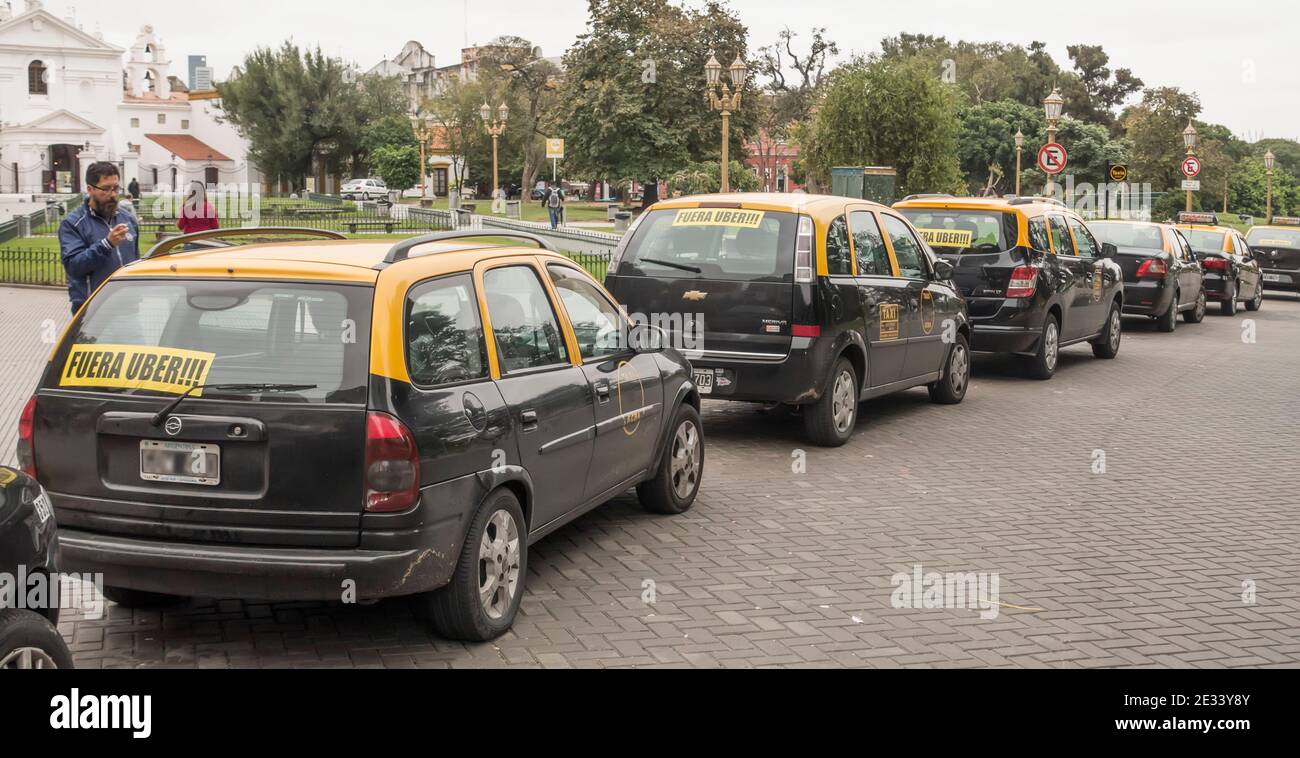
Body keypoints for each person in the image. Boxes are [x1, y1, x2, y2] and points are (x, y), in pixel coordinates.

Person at [58, 162, 140, 314]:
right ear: (90, 189)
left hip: (129, 308)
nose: (113, 194)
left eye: (116, 188)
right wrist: (106, 244)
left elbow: (135, 262)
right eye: (106, 189)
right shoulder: (73, 224)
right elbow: (74, 267)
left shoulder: (128, 219)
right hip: (92, 312)